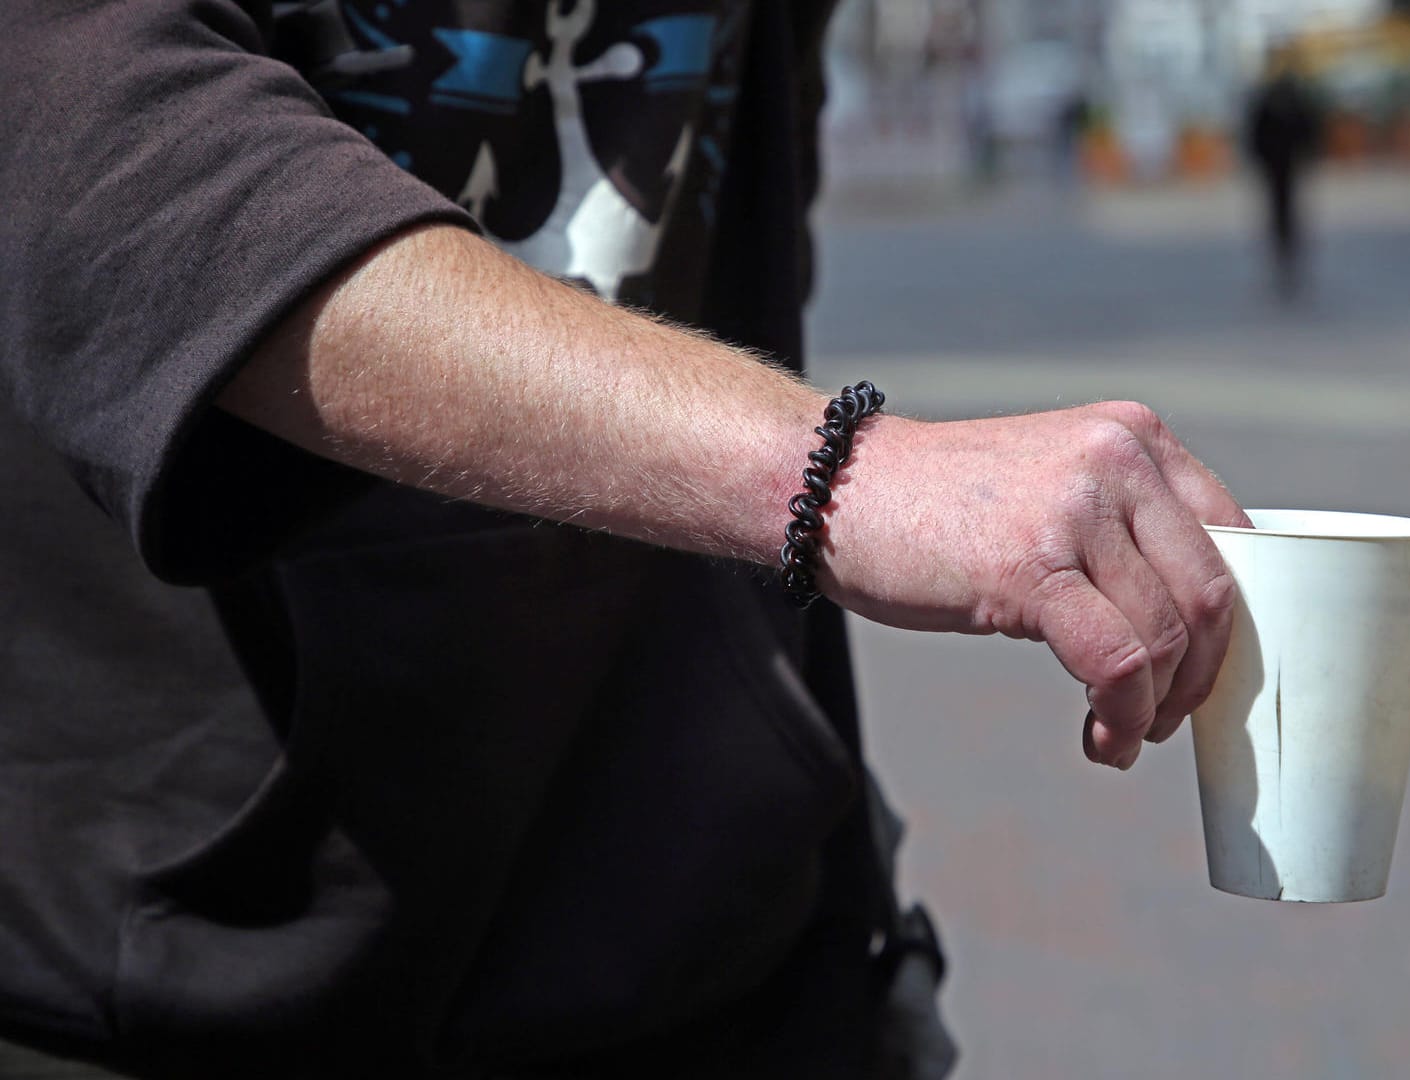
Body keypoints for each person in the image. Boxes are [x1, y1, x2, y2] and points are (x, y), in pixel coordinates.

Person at [0, 1, 1249, 1077]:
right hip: (188, 951)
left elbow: (748, 253)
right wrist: (839, 474)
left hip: (721, 954)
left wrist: (826, 848)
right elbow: (102, 149)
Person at [1245, 46, 1324, 296]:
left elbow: (1308, 128)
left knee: (1286, 209)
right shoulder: (1276, 95)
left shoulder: (1281, 95)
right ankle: (1284, 250)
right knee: (1283, 210)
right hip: (1279, 164)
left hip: (1284, 164)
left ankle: (1287, 250)